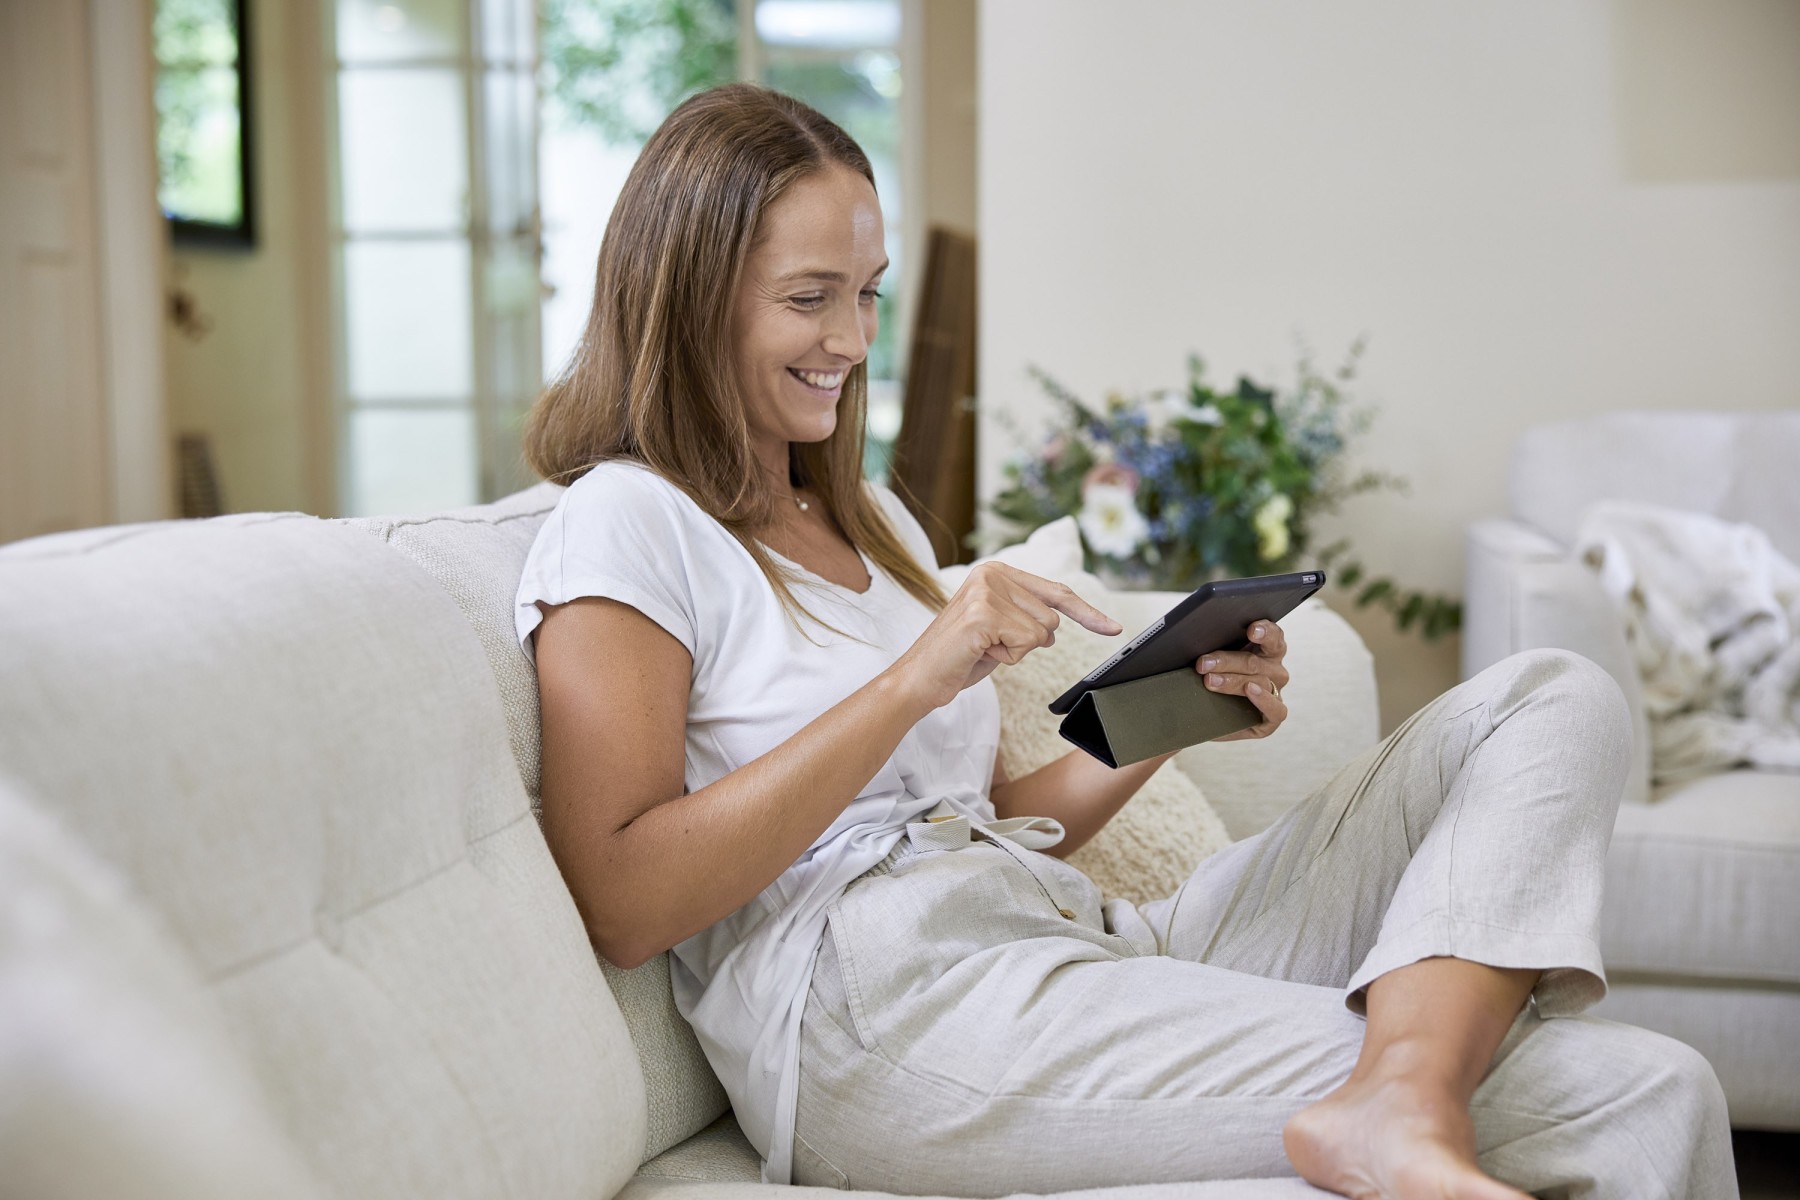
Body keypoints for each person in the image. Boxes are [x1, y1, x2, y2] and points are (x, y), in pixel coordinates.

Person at [514, 83, 1735, 1200]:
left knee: (1547, 698)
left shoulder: (863, 515)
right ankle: (1396, 1099)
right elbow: (624, 900)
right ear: (684, 294)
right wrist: (918, 675)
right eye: (808, 297)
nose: (852, 338)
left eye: (869, 291)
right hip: (884, 1016)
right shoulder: (629, 520)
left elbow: (992, 813)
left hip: (1051, 927)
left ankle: (1398, 1093)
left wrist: (1177, 707)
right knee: (1640, 1089)